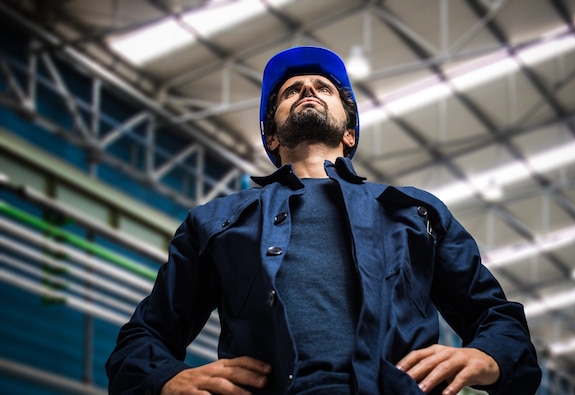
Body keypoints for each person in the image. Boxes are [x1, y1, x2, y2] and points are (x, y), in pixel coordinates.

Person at [106, 46, 541, 395]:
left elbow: (496, 316)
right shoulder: (217, 223)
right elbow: (143, 337)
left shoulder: (415, 212)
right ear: (272, 136)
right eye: (291, 91)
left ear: (349, 132)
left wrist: (490, 356)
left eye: (323, 88)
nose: (308, 91)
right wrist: (165, 379)